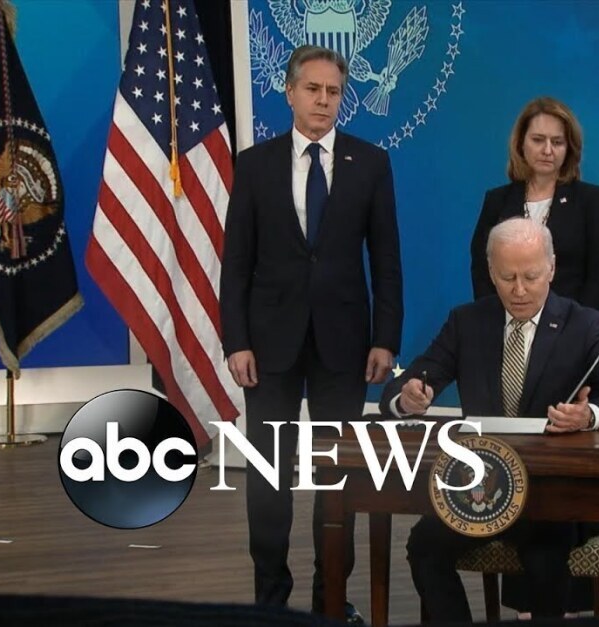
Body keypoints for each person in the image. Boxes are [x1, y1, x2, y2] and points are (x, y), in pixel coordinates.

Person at [220, 45, 403, 623]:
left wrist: (385, 338)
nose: (324, 101)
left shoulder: (370, 163)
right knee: (267, 478)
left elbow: (387, 260)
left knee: (339, 478)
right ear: (290, 92)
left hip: (344, 344)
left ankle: (332, 600)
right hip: (267, 344)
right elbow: (236, 263)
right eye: (313, 89)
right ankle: (269, 601)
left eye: (333, 92)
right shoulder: (254, 165)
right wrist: (236, 341)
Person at [381, 218, 599, 622]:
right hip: (481, 489)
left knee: (544, 554)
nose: (519, 290)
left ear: (551, 268)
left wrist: (587, 415)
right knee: (425, 546)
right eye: (507, 278)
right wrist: (408, 398)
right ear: (491, 273)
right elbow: (403, 389)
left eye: (530, 277)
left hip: (551, 492)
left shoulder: (583, 324)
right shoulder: (467, 322)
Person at [470, 97, 599, 311]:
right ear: (521, 143)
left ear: (569, 148)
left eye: (557, 142)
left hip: (571, 325)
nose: (548, 150)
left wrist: (576, 325)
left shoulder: (589, 200)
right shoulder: (497, 201)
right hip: (505, 325)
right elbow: (482, 270)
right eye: (538, 140)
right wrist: (499, 321)